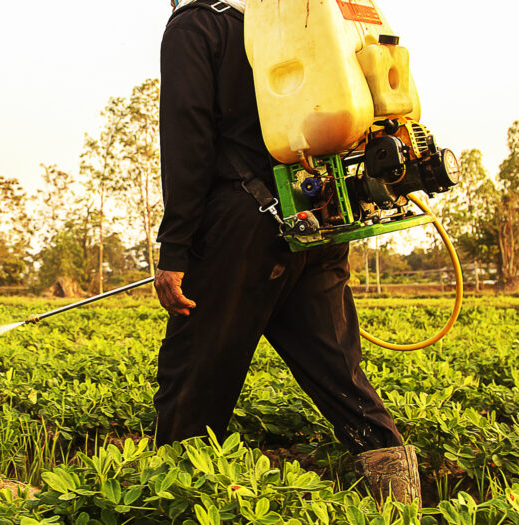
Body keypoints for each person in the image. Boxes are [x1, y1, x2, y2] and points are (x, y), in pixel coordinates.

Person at [152, 0, 421, 505]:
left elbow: (187, 140)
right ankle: (403, 503)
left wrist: (175, 251)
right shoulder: (291, 20)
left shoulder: (197, 24)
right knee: (342, 378)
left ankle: (169, 505)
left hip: (240, 228)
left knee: (192, 377)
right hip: (313, 219)